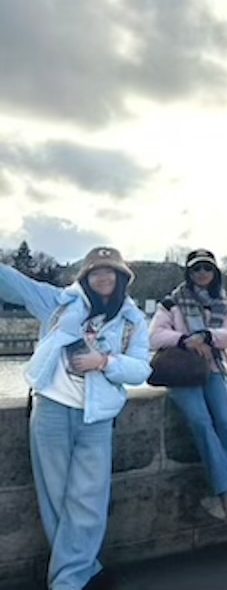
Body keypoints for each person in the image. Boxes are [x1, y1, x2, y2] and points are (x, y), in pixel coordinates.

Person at [0, 247, 151, 590]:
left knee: (89, 499)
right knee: (55, 496)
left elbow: (142, 369)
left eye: (110, 271)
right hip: (52, 408)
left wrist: (105, 363)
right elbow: (14, 284)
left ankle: (68, 581)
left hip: (96, 417)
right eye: (96, 271)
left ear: (122, 278)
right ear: (85, 277)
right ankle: (82, 572)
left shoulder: (133, 321)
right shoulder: (59, 303)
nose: (103, 277)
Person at [148, 249, 227, 521]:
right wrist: (186, 341)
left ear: (215, 273)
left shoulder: (225, 304)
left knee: (225, 423)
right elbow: (154, 336)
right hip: (184, 371)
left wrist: (205, 336)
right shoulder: (172, 302)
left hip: (213, 369)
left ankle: (221, 491)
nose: (202, 273)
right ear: (188, 273)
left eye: (207, 268)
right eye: (196, 269)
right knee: (201, 422)